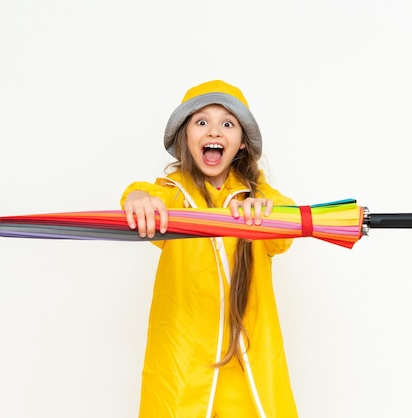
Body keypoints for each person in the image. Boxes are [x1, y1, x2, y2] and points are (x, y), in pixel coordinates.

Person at [121, 80, 298, 417]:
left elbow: (286, 227)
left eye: (227, 124)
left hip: (247, 371)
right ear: (186, 138)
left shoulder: (260, 199)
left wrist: (264, 208)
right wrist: (137, 198)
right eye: (201, 122)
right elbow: (144, 197)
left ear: (242, 143)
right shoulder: (173, 198)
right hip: (185, 369)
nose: (213, 131)